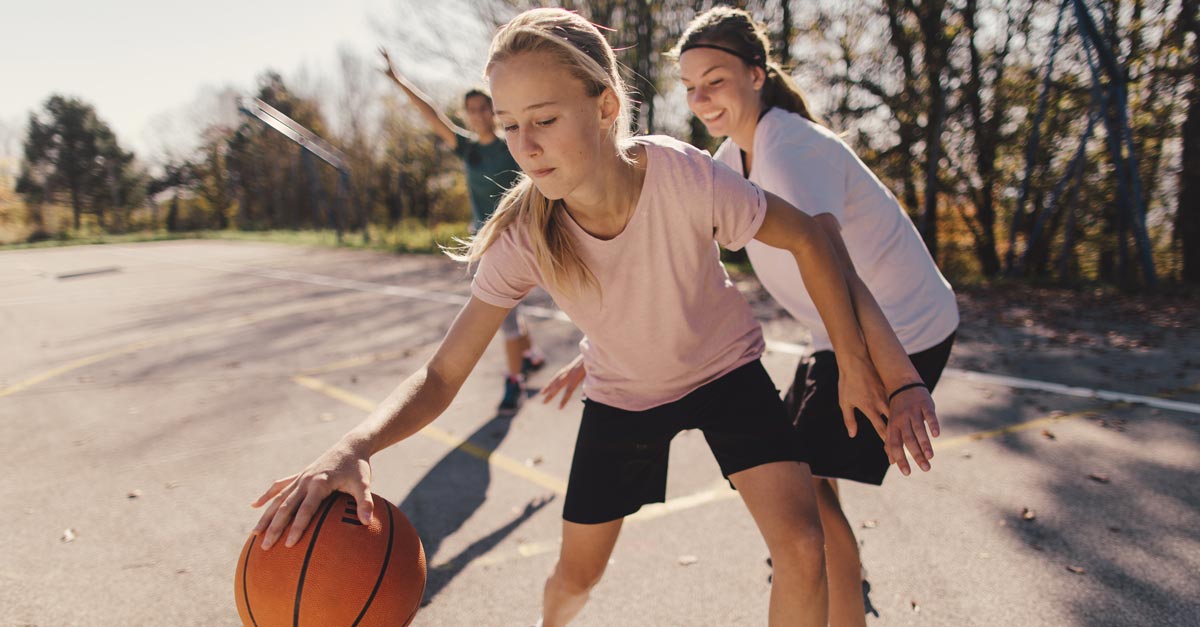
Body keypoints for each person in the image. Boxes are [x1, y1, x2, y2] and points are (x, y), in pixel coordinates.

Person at [255, 9, 928, 626]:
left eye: (544, 119)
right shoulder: (524, 233)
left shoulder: (682, 174)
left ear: (604, 105)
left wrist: (855, 364)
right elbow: (443, 372)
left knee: (803, 542)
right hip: (625, 396)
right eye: (511, 124)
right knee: (576, 576)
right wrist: (355, 445)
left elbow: (812, 236)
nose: (524, 144)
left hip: (726, 369)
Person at [545, 8, 958, 626]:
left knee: (808, 495)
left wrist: (895, 378)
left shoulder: (787, 149)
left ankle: (841, 602)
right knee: (809, 481)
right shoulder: (733, 156)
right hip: (842, 331)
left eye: (715, 80)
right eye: (688, 87)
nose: (700, 98)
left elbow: (836, 263)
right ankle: (836, 584)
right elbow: (677, 265)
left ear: (757, 74)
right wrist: (599, 346)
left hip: (897, 329)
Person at [380, 47, 543, 412]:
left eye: (484, 107)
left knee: (509, 312)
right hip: (487, 240)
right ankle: (525, 364)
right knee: (510, 311)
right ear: (467, 116)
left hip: (521, 237)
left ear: (494, 110)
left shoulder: (512, 145)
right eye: (471, 110)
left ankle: (518, 374)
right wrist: (398, 80)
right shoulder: (467, 149)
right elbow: (431, 115)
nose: (478, 114)